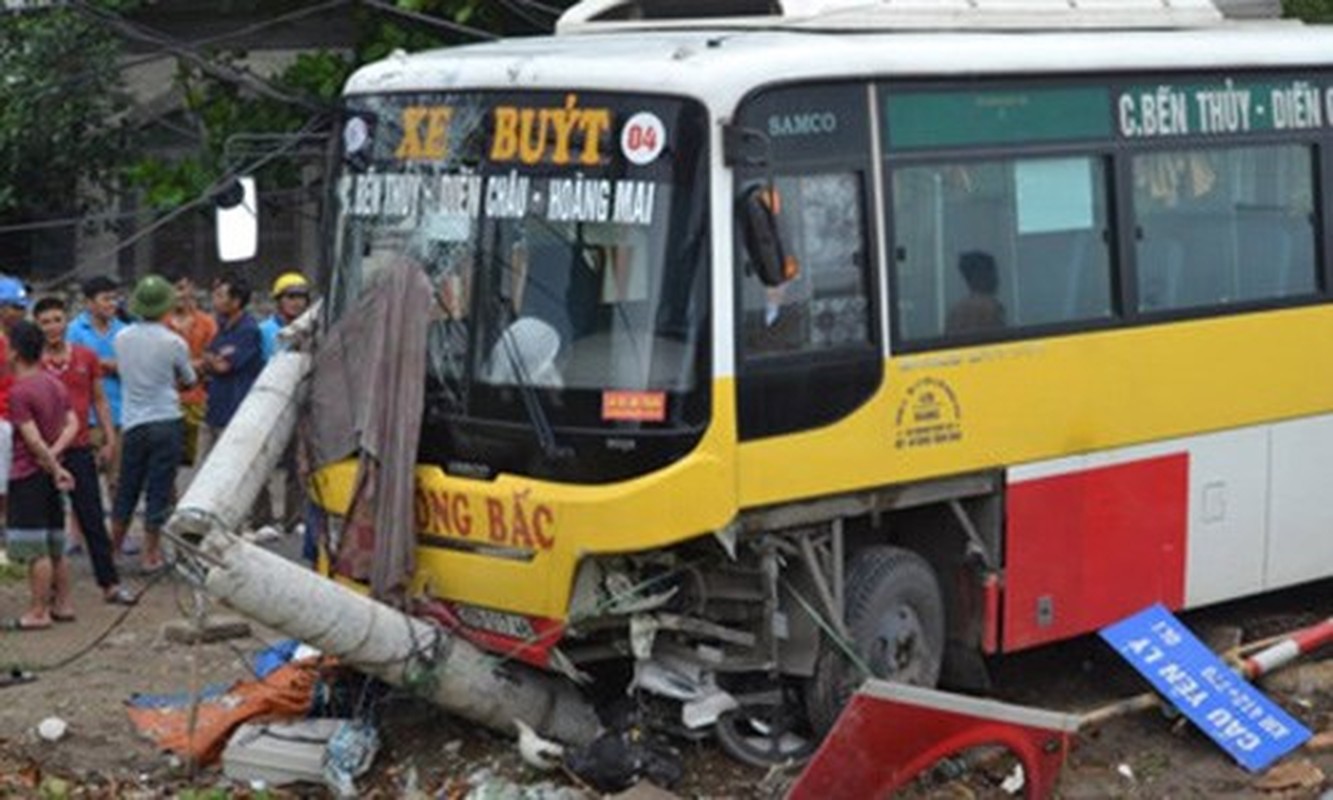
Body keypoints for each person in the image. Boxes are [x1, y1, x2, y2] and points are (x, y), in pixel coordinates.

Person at [34, 296, 136, 605]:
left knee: (91, 515)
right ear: (38, 327)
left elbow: (99, 399)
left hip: (79, 447)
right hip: (43, 453)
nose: (53, 327)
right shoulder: (32, 362)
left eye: (57, 320)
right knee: (47, 520)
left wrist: (108, 437)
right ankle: (50, 588)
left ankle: (110, 583)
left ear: (67, 322)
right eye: (46, 322)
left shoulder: (85, 357)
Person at [110, 275, 196, 574]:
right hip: (166, 419)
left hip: (133, 420)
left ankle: (113, 550)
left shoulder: (121, 339)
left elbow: (124, 372)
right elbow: (189, 379)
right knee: (159, 488)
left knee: (127, 488)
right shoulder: (174, 342)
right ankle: (150, 555)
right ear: (166, 308)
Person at [3, 321, 78, 630]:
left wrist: (52, 463)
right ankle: (63, 603)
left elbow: (32, 440)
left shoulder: (20, 391)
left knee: (36, 549)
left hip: (29, 473)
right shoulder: (55, 384)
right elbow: (72, 423)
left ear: (16, 352)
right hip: (50, 474)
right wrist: (57, 455)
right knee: (56, 543)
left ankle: (38, 610)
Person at [67, 275, 126, 520]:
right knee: (82, 480)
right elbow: (72, 367)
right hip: (85, 416)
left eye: (114, 298)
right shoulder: (75, 329)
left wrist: (97, 365)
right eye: (105, 299)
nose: (111, 303)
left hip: (119, 412)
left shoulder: (124, 331)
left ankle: (118, 532)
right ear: (90, 303)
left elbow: (131, 367)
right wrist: (108, 365)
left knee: (118, 479)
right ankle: (77, 535)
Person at [198, 272, 263, 465]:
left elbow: (222, 366)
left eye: (220, 296)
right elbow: (207, 357)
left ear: (236, 301)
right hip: (216, 410)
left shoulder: (248, 330)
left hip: (235, 412)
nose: (215, 301)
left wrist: (211, 361)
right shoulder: (222, 327)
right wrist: (211, 360)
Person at [164, 272, 217, 470]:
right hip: (166, 401)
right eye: (175, 288)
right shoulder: (160, 324)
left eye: (183, 288)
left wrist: (191, 365)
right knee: (168, 462)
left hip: (199, 400)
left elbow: (214, 358)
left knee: (197, 463)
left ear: (192, 289)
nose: (179, 294)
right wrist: (188, 364)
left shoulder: (207, 323)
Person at [946, 251, 1007, 334]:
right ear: (982, 276)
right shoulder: (992, 308)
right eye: (993, 273)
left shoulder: (955, 312)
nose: (997, 280)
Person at [259, 271, 310, 359]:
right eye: (291, 296)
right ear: (278, 300)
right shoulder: (264, 331)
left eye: (301, 296)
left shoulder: (310, 329)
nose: (296, 302)